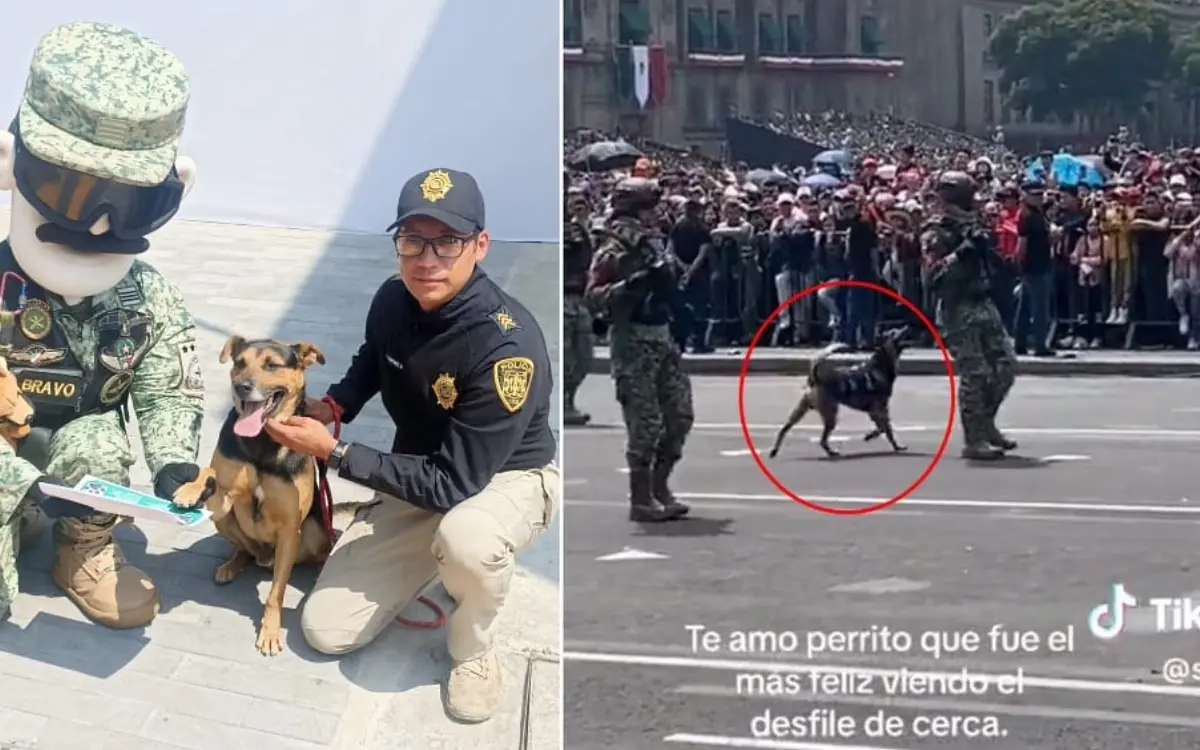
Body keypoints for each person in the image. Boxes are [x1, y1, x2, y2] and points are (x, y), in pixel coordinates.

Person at [263, 168, 558, 724]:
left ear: (480, 245)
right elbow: (374, 360)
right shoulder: (393, 300)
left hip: (503, 480)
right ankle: (438, 559)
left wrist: (333, 452)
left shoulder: (507, 347)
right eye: (412, 240)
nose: (427, 258)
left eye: (447, 241)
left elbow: (457, 483)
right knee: (325, 630)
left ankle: (473, 645)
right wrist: (337, 408)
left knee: (468, 539)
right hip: (423, 473)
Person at [0, 22, 205, 626]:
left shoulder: (146, 298)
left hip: (80, 450)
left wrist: (173, 465)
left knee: (101, 442)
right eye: (69, 190)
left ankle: (81, 547)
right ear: (11, 166)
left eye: (131, 202)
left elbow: (168, 384)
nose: (96, 226)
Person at [586, 177, 692, 523]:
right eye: (650, 207)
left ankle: (661, 487)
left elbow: (669, 280)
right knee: (645, 423)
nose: (656, 213)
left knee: (679, 416)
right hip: (632, 339)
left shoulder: (654, 242)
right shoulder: (615, 247)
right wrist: (633, 284)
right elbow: (594, 296)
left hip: (662, 336)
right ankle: (641, 498)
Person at [921, 171, 1017, 460]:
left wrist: (987, 250)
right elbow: (932, 276)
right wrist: (961, 253)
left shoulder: (970, 224)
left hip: (982, 302)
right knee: (975, 374)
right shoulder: (937, 229)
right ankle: (974, 439)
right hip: (957, 307)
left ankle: (985, 423)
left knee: (1005, 366)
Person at [563, 188, 594, 425]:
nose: (579, 208)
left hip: (580, 298)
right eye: (575, 204)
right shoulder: (565, 231)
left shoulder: (584, 232)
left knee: (584, 356)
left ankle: (570, 399)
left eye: (583, 204)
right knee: (567, 354)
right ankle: (564, 404)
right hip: (564, 296)